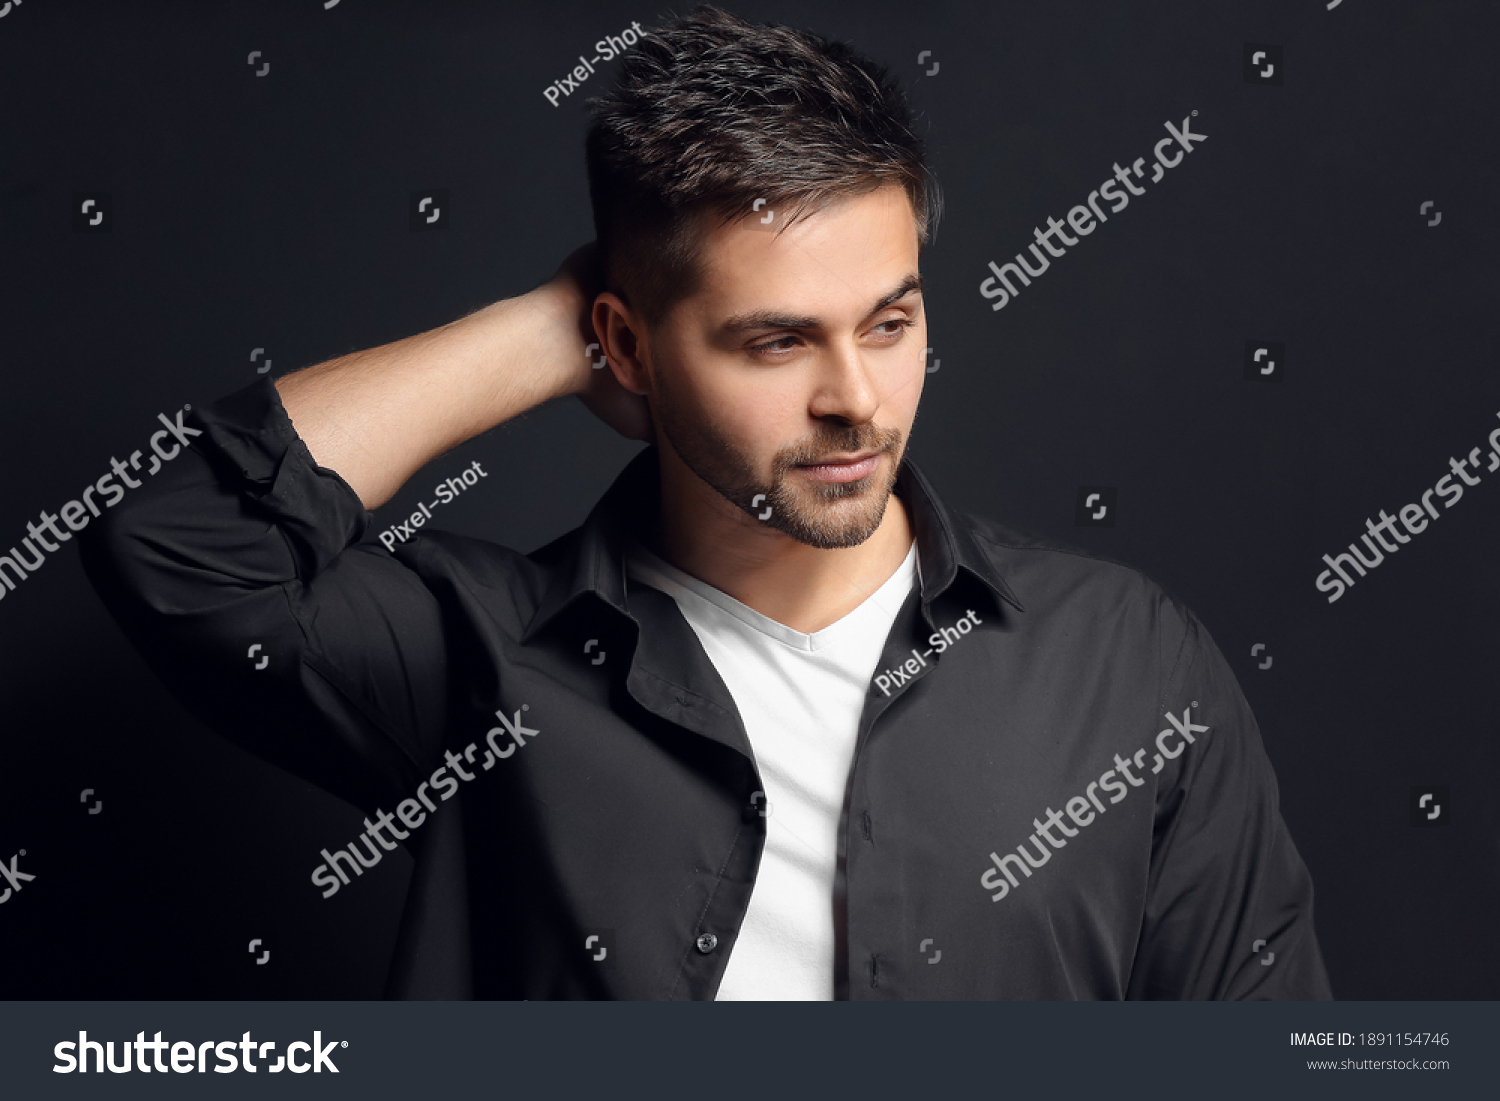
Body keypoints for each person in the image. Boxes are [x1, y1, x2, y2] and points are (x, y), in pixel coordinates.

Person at [80, 5, 1331, 1000]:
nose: (856, 400)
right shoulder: (490, 665)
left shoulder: (1128, 663)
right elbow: (180, 543)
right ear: (626, 345)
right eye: (777, 342)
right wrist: (547, 332)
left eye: (890, 324)